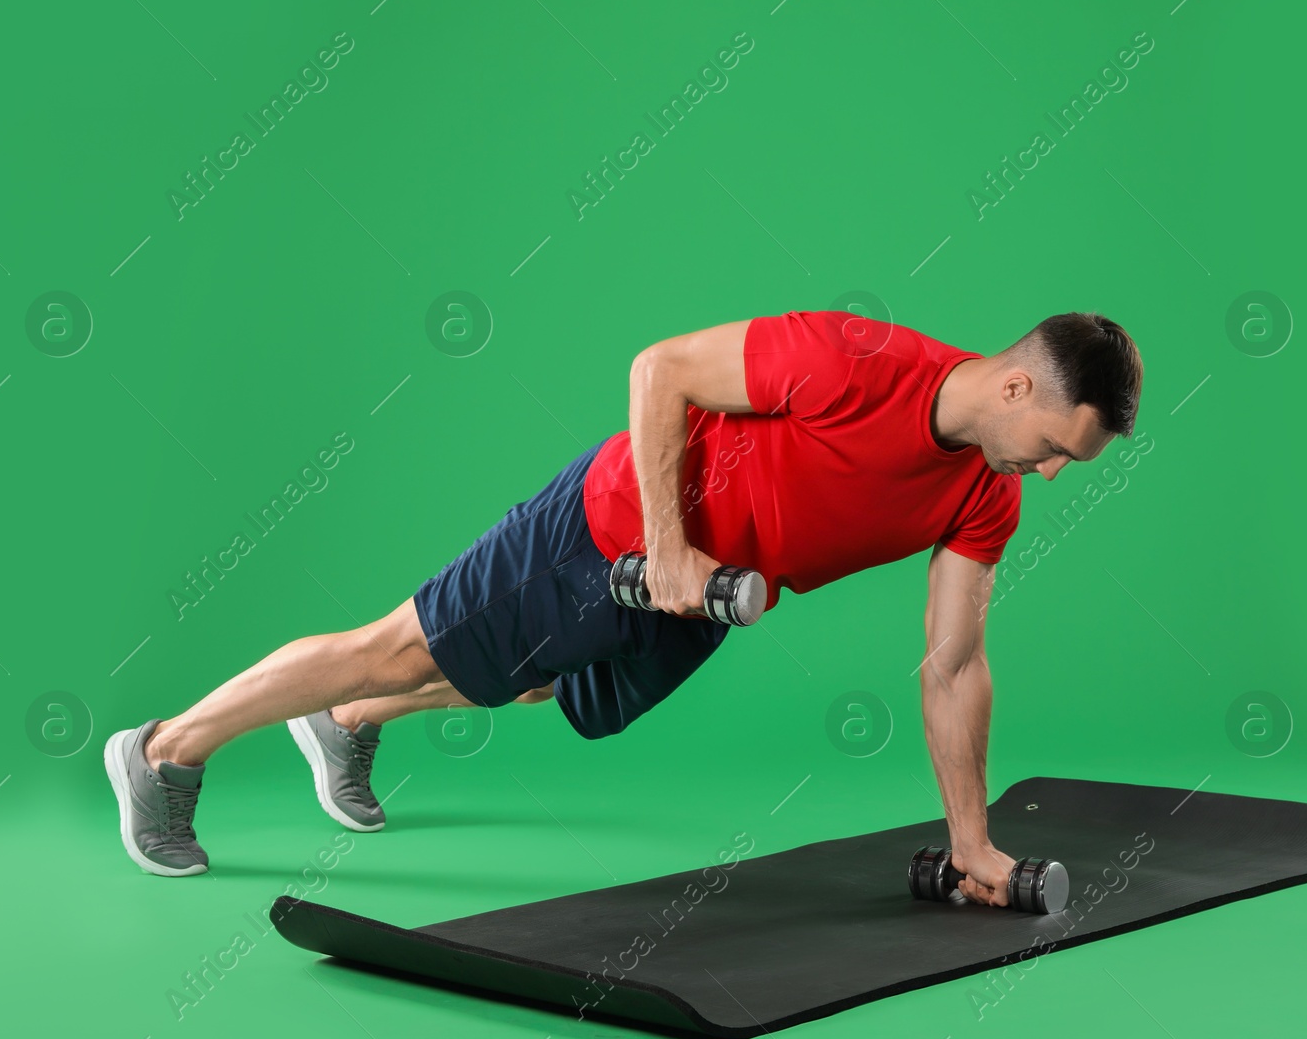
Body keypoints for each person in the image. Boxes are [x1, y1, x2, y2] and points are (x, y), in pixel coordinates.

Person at [104, 309, 1143, 905]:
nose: (1050, 473)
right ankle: (162, 750)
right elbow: (662, 369)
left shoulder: (984, 495)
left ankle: (343, 723)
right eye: (1056, 446)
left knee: (547, 685)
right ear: (1015, 389)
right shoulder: (853, 360)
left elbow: (953, 664)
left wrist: (973, 842)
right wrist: (670, 543)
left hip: (689, 596)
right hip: (605, 530)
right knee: (389, 646)